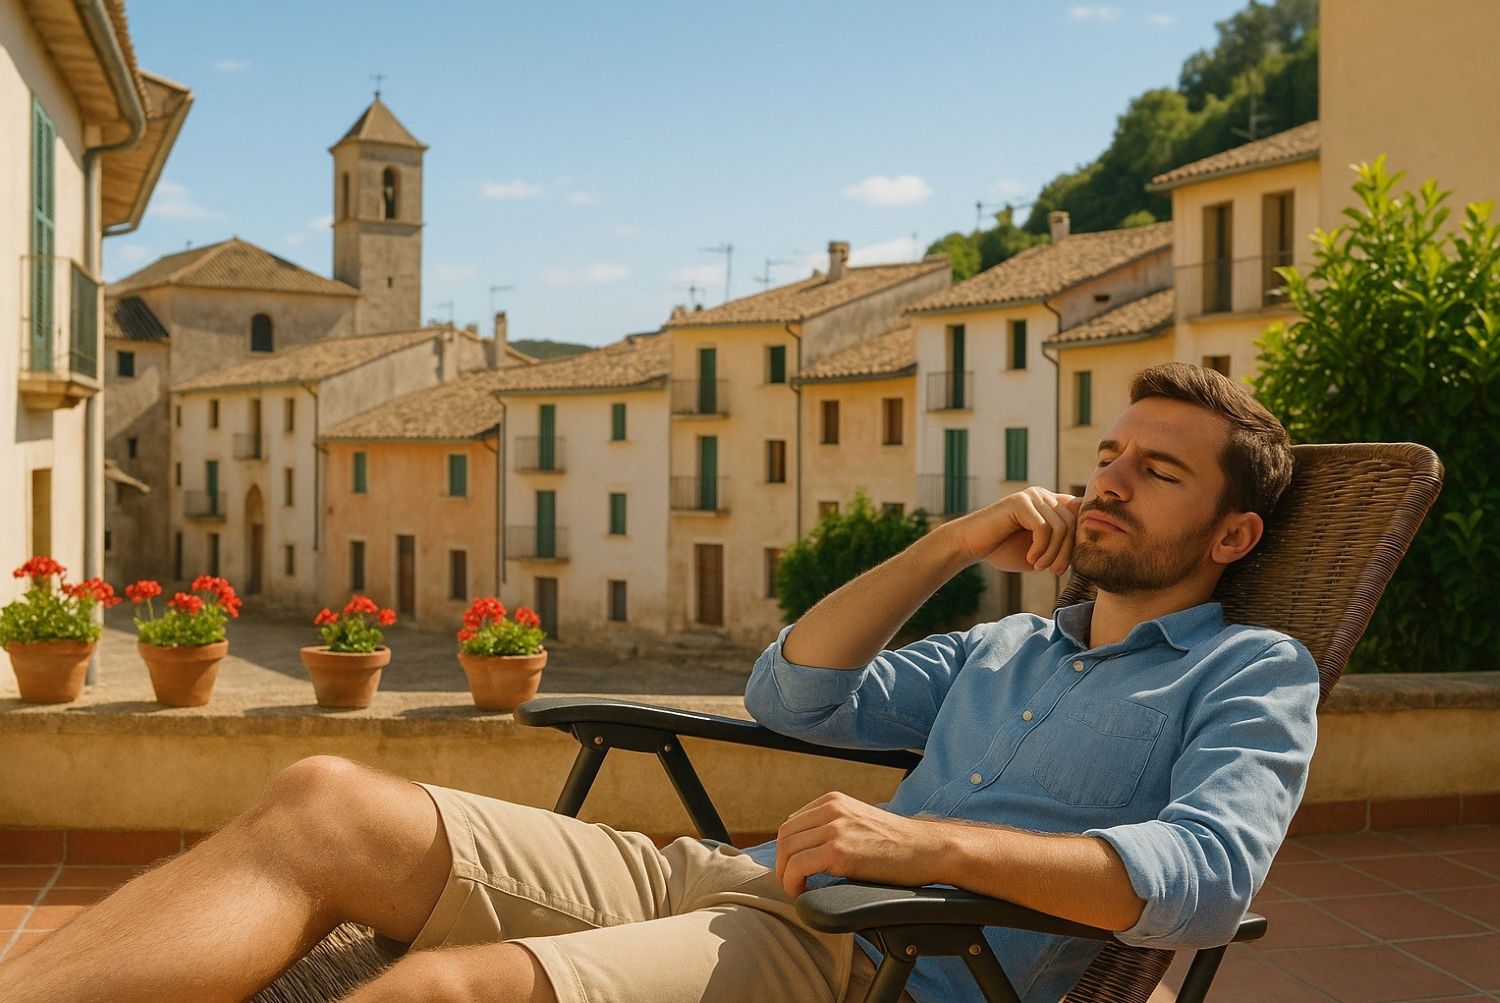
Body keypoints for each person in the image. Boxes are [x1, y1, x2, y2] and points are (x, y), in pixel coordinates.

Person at [0, 363, 1317, 1003]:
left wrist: (926, 843)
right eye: (1108, 453)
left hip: (903, 959)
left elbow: (1203, 885)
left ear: (1234, 533)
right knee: (323, 799)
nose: (1106, 479)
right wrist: (954, 543)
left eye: (1157, 470)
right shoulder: (1010, 645)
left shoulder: (1255, 670)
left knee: (430, 995)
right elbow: (794, 696)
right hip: (761, 882)